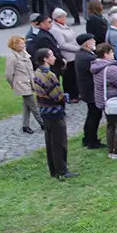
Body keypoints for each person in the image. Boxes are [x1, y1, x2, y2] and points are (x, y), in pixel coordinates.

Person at [33, 48, 76, 180]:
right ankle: (62, 170)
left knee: (50, 142)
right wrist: (66, 96)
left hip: (44, 112)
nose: (55, 58)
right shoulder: (48, 75)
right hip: (54, 113)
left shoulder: (37, 72)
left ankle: (54, 169)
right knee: (59, 143)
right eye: (51, 56)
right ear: (45, 59)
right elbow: (57, 96)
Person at [92, 43, 117, 159]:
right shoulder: (111, 69)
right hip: (114, 101)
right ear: (106, 54)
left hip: (105, 102)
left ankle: (111, 149)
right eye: (111, 52)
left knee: (110, 125)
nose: (113, 54)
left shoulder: (97, 66)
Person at [6, 35, 44, 135]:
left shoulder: (25, 54)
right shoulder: (12, 57)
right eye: (21, 43)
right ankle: (43, 123)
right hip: (22, 84)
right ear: (14, 45)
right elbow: (9, 75)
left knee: (27, 106)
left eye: (24, 43)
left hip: (29, 82)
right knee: (33, 105)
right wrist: (14, 84)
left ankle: (25, 126)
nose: (23, 45)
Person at [74, 33, 104, 149]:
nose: (94, 42)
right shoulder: (88, 58)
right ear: (87, 43)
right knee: (94, 116)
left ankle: (88, 138)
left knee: (91, 115)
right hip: (91, 90)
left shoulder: (81, 54)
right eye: (92, 40)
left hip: (86, 89)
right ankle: (92, 140)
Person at [51, 9, 80, 101]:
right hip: (67, 56)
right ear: (56, 18)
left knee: (74, 76)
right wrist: (77, 49)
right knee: (69, 77)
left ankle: (76, 93)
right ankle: (71, 96)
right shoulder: (55, 29)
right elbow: (62, 44)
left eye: (64, 16)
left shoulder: (64, 26)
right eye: (61, 17)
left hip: (74, 54)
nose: (64, 18)